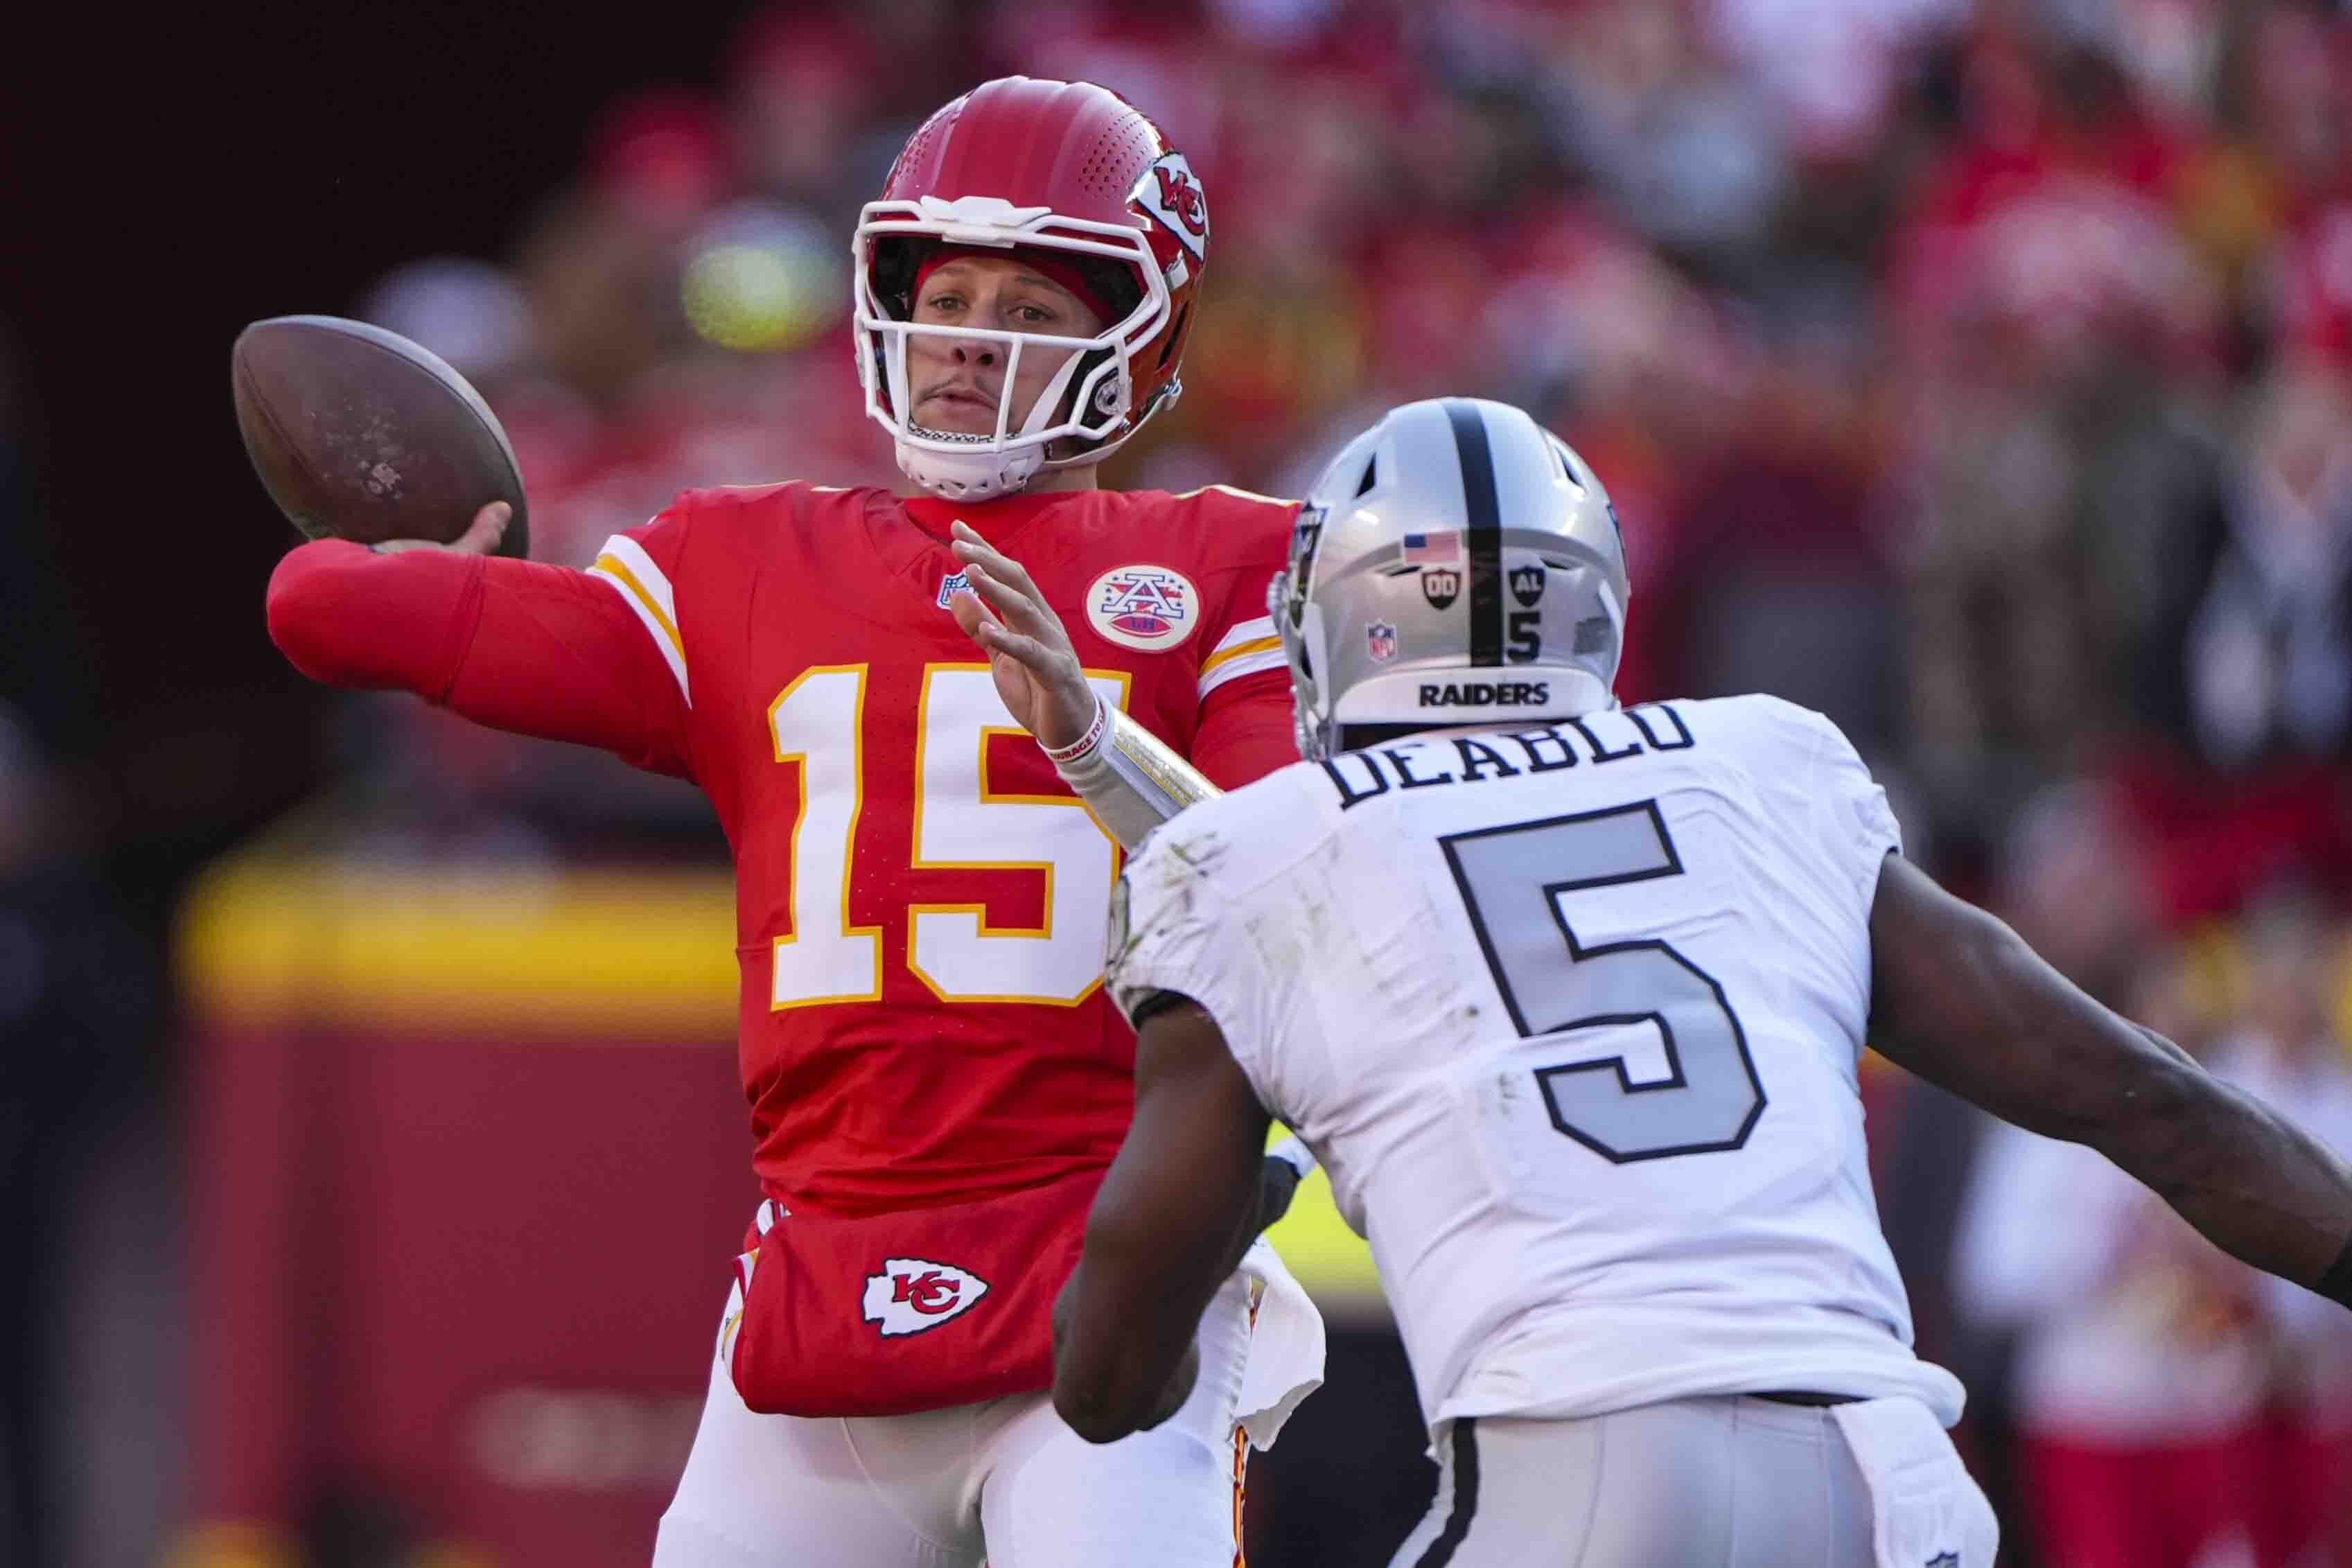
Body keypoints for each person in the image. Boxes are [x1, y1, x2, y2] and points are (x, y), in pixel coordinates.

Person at [263, 76, 1324, 1567]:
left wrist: (1089, 737)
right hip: (825, 1261)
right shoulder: (745, 557)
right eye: (942, 289)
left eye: (1024, 301)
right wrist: (448, 562)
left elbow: (1282, 889)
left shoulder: (1231, 558)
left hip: (1108, 1262)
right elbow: (318, 606)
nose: (964, 332)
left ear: (1132, 333)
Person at [1044, 396, 2352, 1568]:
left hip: (1586, 1464)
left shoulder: (1249, 860)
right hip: (1893, 1478)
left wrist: (1235, 1213)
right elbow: (2144, 1100)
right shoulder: (1759, 766)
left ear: (1331, 621)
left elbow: (1107, 1384)